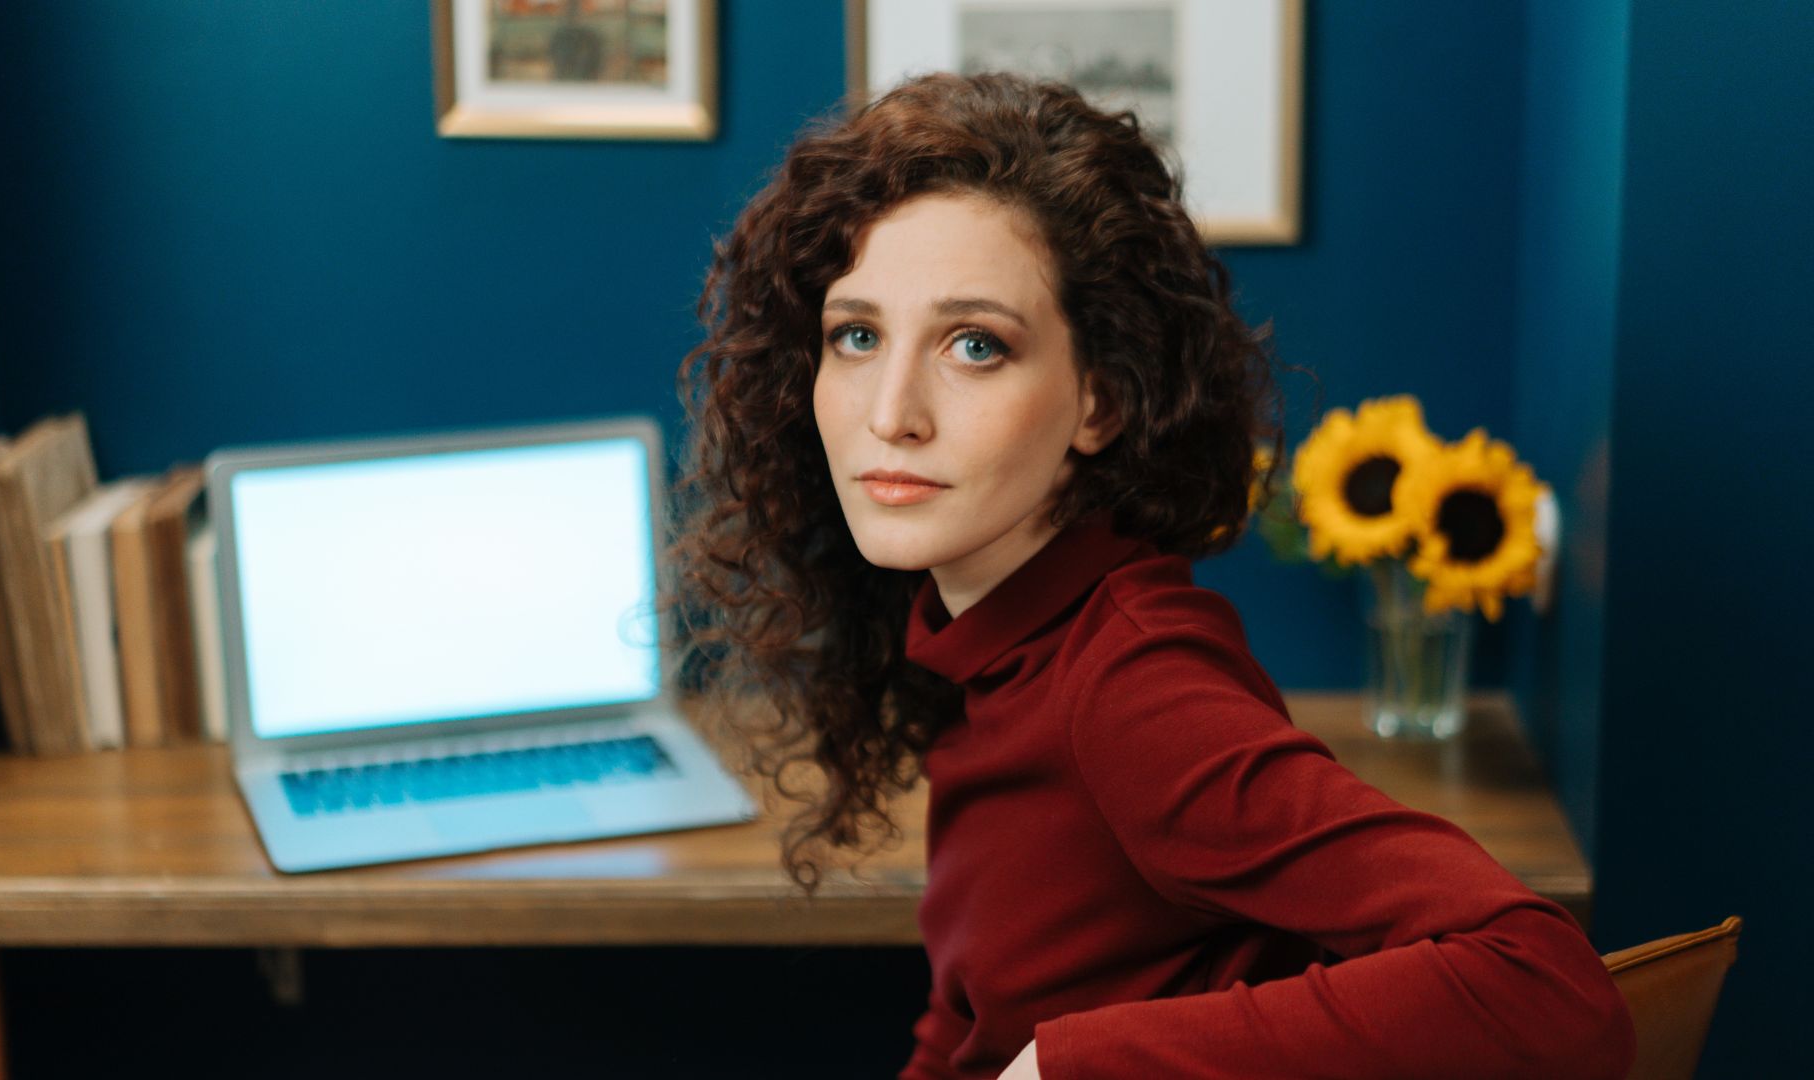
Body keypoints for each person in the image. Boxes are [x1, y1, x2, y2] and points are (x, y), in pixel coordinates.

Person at [664, 71, 1636, 1080]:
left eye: (975, 346)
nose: (890, 413)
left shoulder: (1131, 687)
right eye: (857, 336)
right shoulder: (994, 638)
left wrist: (1066, 1066)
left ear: (1100, 402)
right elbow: (971, 1015)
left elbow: (1544, 982)